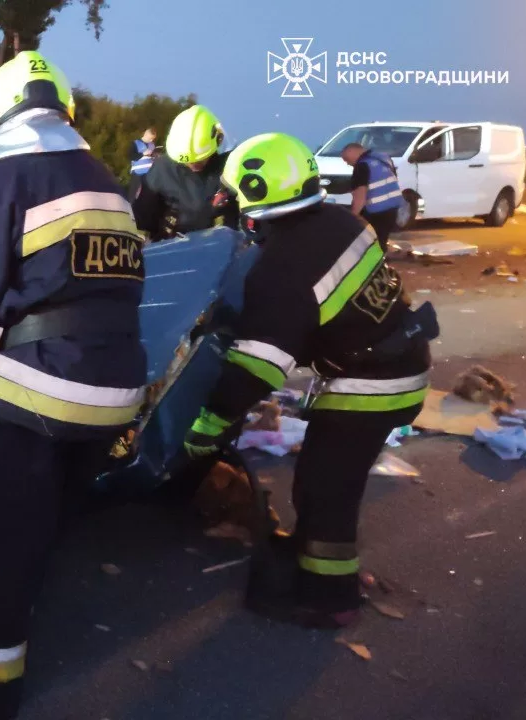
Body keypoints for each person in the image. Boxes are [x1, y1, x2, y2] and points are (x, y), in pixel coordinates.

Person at [0, 50, 148, 719]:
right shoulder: (109, 183)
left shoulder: (1, 183)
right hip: (114, 394)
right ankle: (19, 618)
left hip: (34, 394)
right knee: (44, 524)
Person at [183, 132, 434, 629]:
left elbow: (259, 368)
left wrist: (208, 426)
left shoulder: (282, 266)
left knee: (325, 490)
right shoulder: (341, 221)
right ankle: (313, 559)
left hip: (370, 385)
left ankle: (329, 597)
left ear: (257, 194)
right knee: (327, 483)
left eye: (237, 195)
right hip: (400, 361)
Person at [132, 104, 238, 241]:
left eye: (199, 160)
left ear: (218, 141)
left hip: (225, 252)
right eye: (188, 162)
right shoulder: (162, 171)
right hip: (173, 252)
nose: (192, 164)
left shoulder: (231, 167)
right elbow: (142, 219)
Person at [341, 142, 406, 249]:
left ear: (352, 152)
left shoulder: (361, 166)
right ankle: (382, 260)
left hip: (376, 212)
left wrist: (352, 217)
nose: (347, 163)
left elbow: (360, 197)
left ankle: (377, 263)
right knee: (382, 240)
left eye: (346, 159)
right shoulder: (383, 158)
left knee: (370, 244)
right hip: (393, 209)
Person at [125, 126, 158, 201]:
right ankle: (130, 208)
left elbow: (151, 157)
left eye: (153, 139)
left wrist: (155, 156)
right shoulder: (135, 143)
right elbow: (131, 156)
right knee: (133, 193)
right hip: (138, 172)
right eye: (150, 138)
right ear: (145, 134)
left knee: (147, 194)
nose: (151, 140)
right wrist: (143, 154)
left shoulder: (152, 145)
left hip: (149, 173)